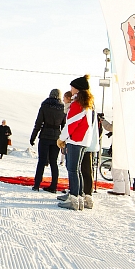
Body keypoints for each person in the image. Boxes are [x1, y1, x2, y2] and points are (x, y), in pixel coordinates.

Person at [57, 76, 95, 210]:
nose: (70, 89)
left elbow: (71, 124)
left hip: (76, 139)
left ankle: (74, 198)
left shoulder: (78, 104)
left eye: (72, 87)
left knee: (72, 169)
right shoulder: (86, 104)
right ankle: (78, 197)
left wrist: (61, 138)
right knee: (77, 169)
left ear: (77, 88)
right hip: (83, 140)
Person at [30, 89, 66, 192]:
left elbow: (38, 123)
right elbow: (64, 126)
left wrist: (33, 136)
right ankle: (53, 186)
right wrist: (63, 139)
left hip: (45, 135)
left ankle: (36, 185)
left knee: (41, 161)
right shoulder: (62, 108)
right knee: (54, 162)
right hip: (56, 137)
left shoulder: (45, 106)